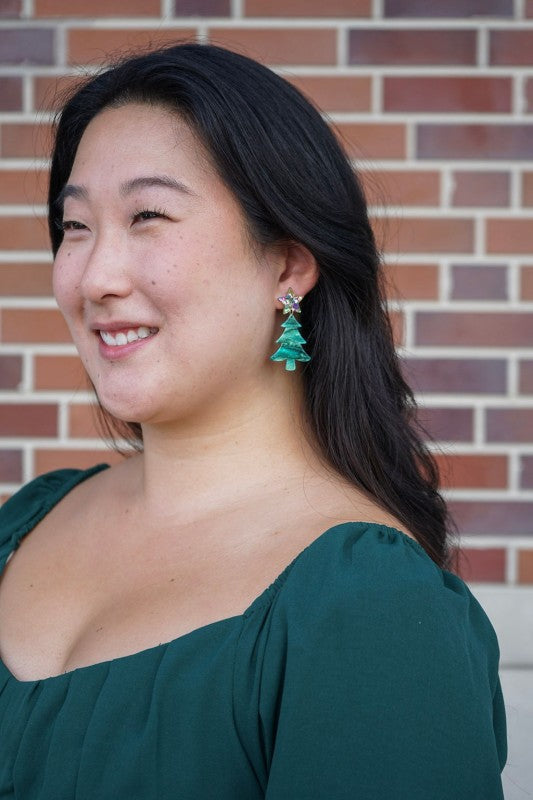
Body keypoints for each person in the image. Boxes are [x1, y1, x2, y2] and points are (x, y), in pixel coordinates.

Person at [0, 43, 506, 798]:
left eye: (147, 215)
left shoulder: (373, 606)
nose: (95, 277)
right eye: (75, 226)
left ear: (287, 267)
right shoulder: (28, 520)